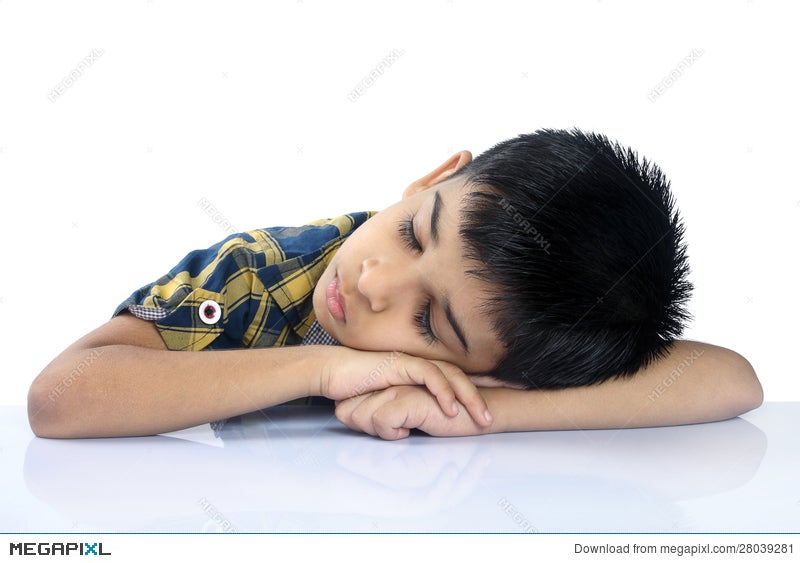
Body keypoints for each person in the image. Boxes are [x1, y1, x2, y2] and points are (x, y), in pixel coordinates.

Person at [27, 129, 763, 440]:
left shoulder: (515, 354)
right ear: (434, 177)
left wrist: (475, 413)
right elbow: (61, 396)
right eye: (414, 230)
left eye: (432, 322)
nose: (376, 282)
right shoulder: (260, 272)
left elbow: (733, 381)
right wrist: (328, 365)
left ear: (496, 371)